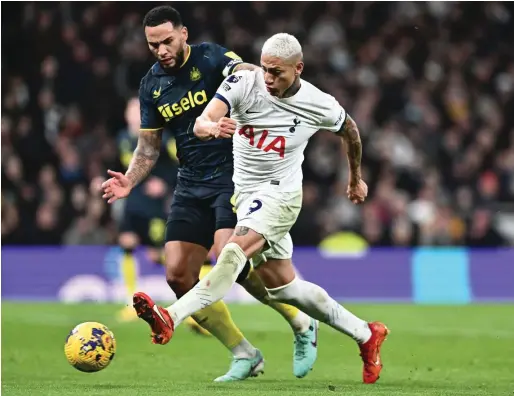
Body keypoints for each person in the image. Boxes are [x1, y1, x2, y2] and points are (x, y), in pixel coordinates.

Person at [130, 33, 390, 384]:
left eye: (277, 73)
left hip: (280, 196)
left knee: (232, 253)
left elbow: (351, 131)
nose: (267, 78)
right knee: (285, 288)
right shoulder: (244, 81)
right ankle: (366, 333)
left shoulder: (319, 102)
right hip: (245, 193)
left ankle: (171, 317)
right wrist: (211, 128)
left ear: (298, 69)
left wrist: (355, 178)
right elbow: (204, 121)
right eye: (265, 69)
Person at [101, 6, 318, 381]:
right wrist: (130, 180)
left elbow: (249, 73)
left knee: (224, 255)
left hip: (235, 173)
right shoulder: (151, 86)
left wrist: (265, 83)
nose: (162, 49)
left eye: (168, 40)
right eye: (154, 44)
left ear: (183, 34)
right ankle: (244, 352)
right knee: (176, 273)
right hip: (190, 181)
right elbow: (149, 148)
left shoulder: (212, 58)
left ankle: (300, 321)